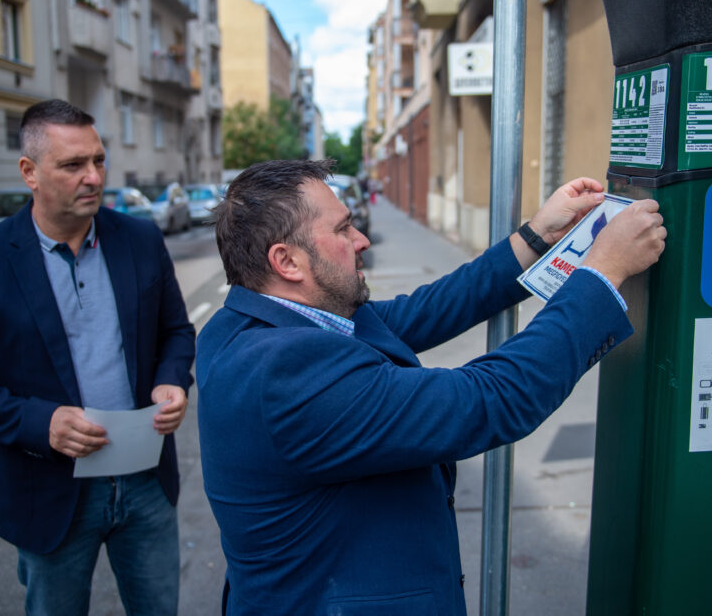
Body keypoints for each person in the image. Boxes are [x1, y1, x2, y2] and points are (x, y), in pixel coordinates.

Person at [196, 159, 666, 615]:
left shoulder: (250, 322)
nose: (361, 240)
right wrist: (602, 274)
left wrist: (536, 236)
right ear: (287, 261)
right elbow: (490, 399)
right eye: (342, 229)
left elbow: (429, 308)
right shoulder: (285, 375)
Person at [0, 99, 195, 615]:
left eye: (98, 161)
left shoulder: (139, 239)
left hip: (144, 481)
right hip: (48, 493)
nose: (93, 177)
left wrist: (172, 380)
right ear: (29, 172)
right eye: (73, 165)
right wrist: (41, 422)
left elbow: (176, 331)